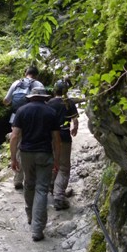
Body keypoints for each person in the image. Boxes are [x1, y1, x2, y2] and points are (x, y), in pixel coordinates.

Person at [9, 83, 61, 242]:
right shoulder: (51, 112)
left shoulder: (21, 110)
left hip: (26, 154)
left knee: (29, 184)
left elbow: (14, 136)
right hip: (44, 154)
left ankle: (30, 216)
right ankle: (37, 230)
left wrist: (13, 158)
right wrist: (56, 161)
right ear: (44, 97)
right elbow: (56, 139)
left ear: (31, 97)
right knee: (41, 189)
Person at [3, 65, 43, 190]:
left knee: (19, 147)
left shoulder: (16, 83)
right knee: (32, 146)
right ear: (36, 74)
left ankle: (18, 179)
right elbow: (43, 104)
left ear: (25, 73)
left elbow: (6, 100)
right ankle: (31, 178)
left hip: (15, 119)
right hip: (33, 120)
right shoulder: (39, 85)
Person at [48, 79, 79, 211]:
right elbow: (75, 120)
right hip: (64, 137)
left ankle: (53, 187)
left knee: (52, 164)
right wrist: (74, 129)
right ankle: (59, 196)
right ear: (65, 91)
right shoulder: (69, 102)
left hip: (50, 138)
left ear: (55, 90)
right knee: (64, 167)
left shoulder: (49, 103)